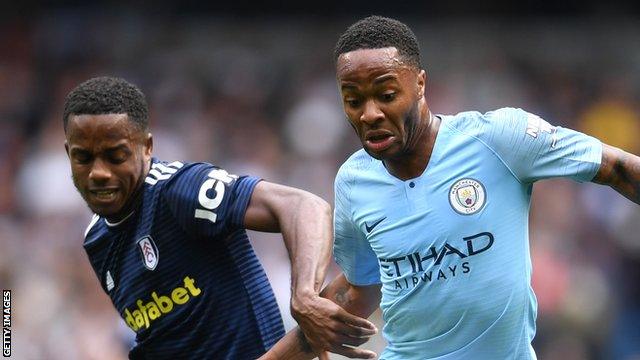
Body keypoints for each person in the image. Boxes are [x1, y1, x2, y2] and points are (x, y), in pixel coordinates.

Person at [263, 16, 640, 359]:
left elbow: (619, 169)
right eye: (353, 100)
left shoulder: (498, 139)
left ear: (421, 84)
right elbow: (359, 289)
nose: (370, 113)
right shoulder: (353, 182)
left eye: (387, 95)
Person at [63, 76, 377, 359]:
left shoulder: (178, 190)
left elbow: (303, 206)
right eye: (84, 157)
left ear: (146, 147)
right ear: (68, 153)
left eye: (116, 156)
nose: (99, 173)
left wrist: (305, 297)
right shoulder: (97, 241)